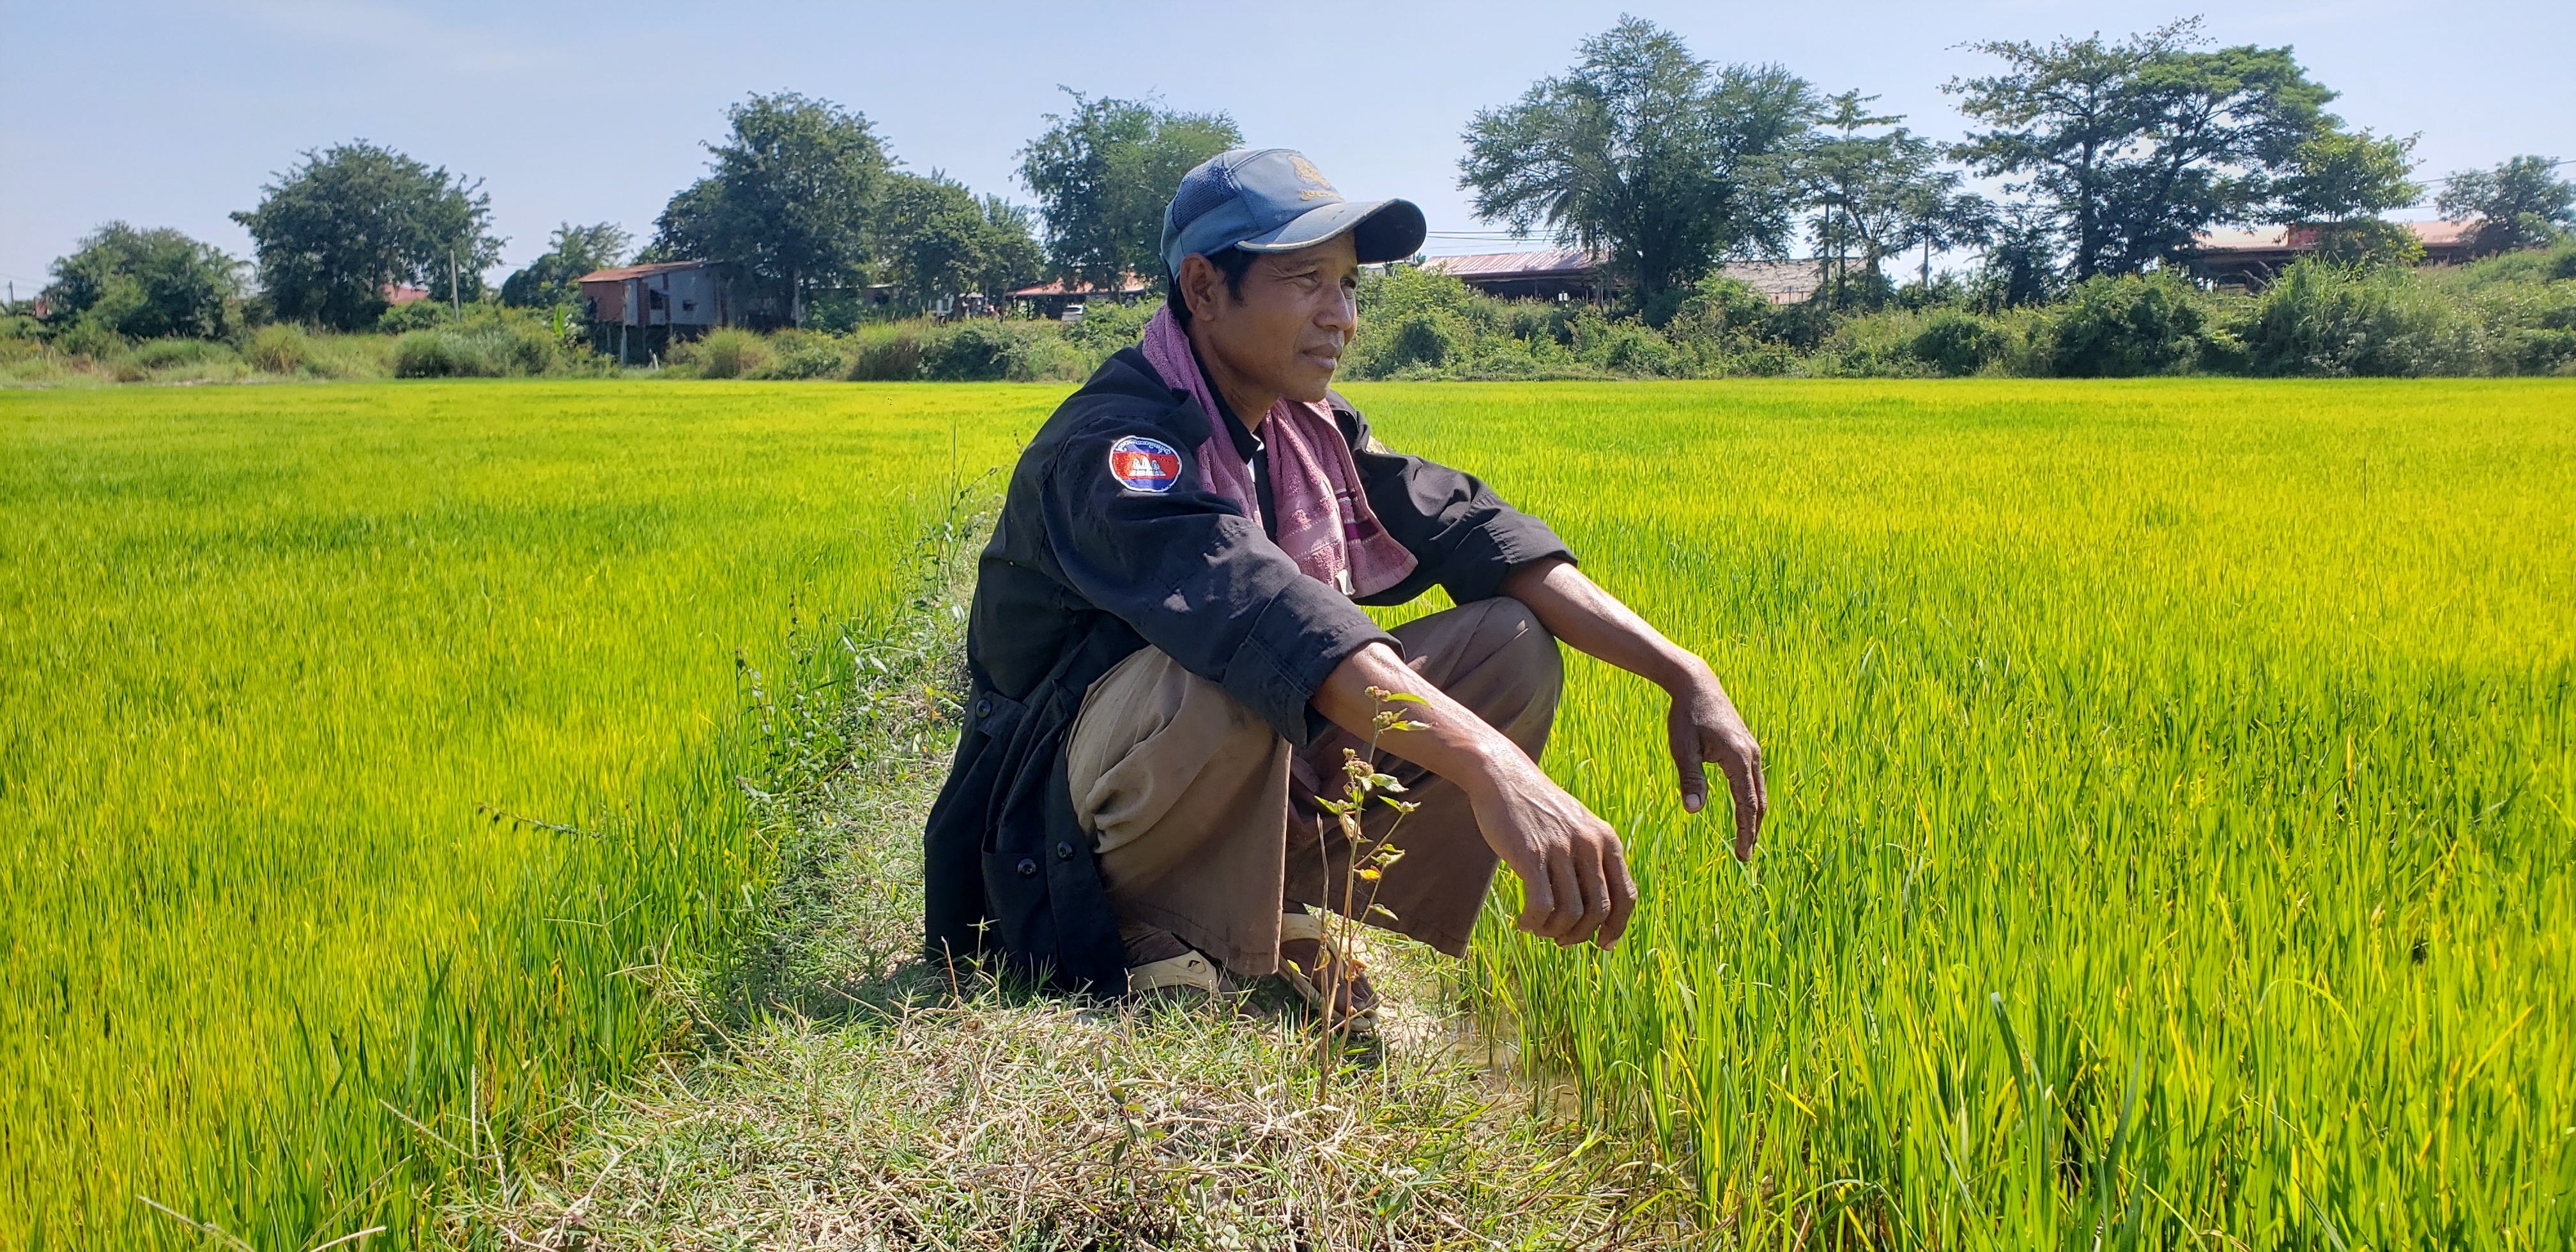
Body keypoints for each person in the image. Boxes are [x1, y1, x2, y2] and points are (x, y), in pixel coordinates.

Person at [923, 148, 1764, 1021]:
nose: (1343, 317)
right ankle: (1149, 922)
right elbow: (1260, 612)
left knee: (1509, 647)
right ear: (1206, 288)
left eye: (1350, 284)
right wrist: (1493, 768)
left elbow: (1471, 526)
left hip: (1192, 772)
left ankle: (1263, 898)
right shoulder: (1120, 447)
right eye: (1306, 280)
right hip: (1055, 833)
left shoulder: (1303, 427)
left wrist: (1682, 670)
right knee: (1252, 660)